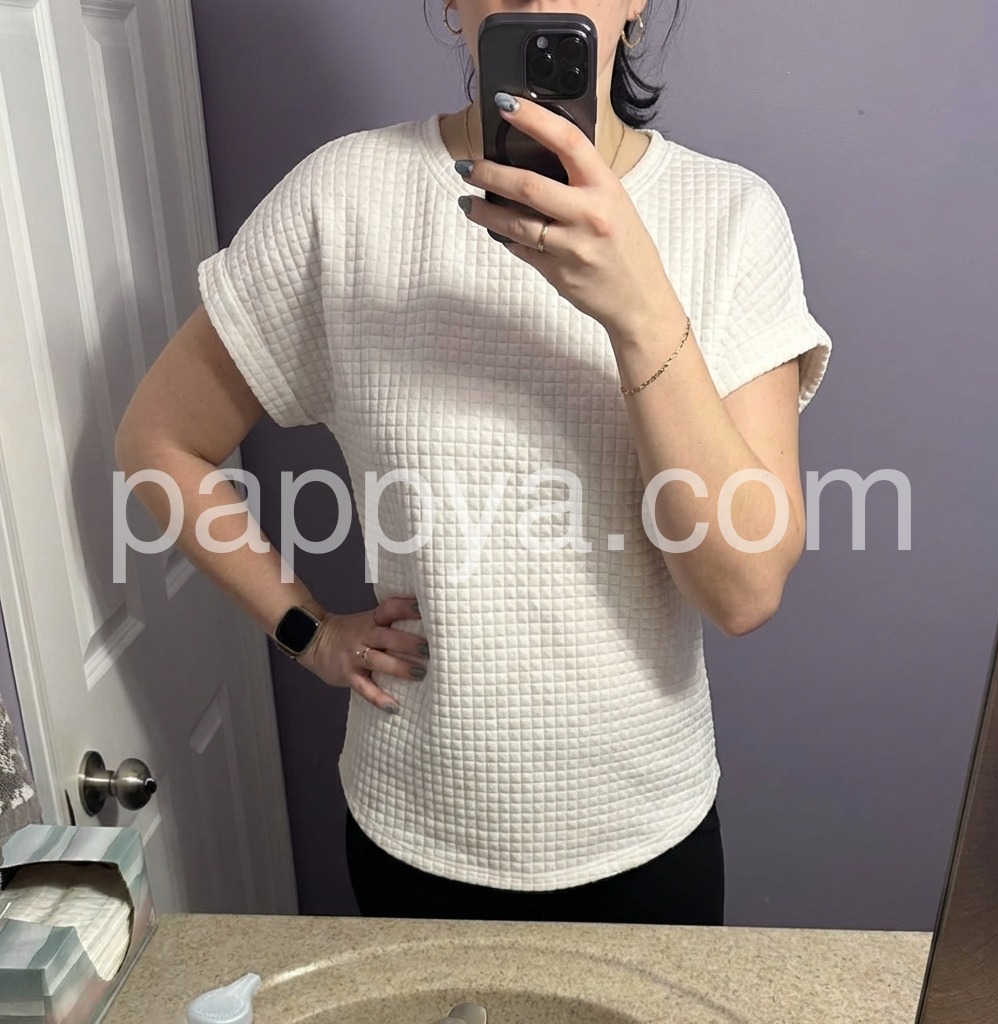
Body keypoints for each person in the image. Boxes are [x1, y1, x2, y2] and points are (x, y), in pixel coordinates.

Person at [116, 0, 831, 927]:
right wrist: (309, 633)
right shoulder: (344, 199)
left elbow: (744, 590)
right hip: (415, 835)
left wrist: (642, 308)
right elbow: (158, 443)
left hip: (646, 834)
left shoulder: (731, 218)